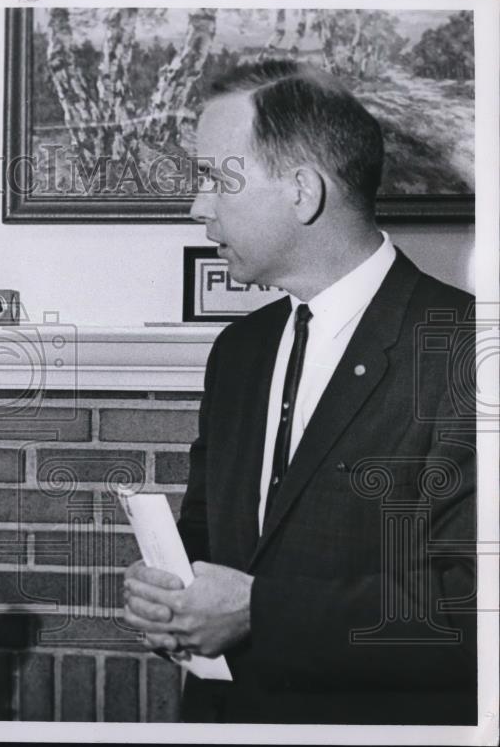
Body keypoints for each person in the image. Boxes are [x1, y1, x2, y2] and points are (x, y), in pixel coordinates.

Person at [123, 61, 476, 724]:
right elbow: (208, 535)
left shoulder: (467, 351)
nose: (197, 206)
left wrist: (258, 611)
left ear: (303, 192)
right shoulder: (239, 352)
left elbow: (473, 606)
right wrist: (171, 592)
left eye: (215, 179)